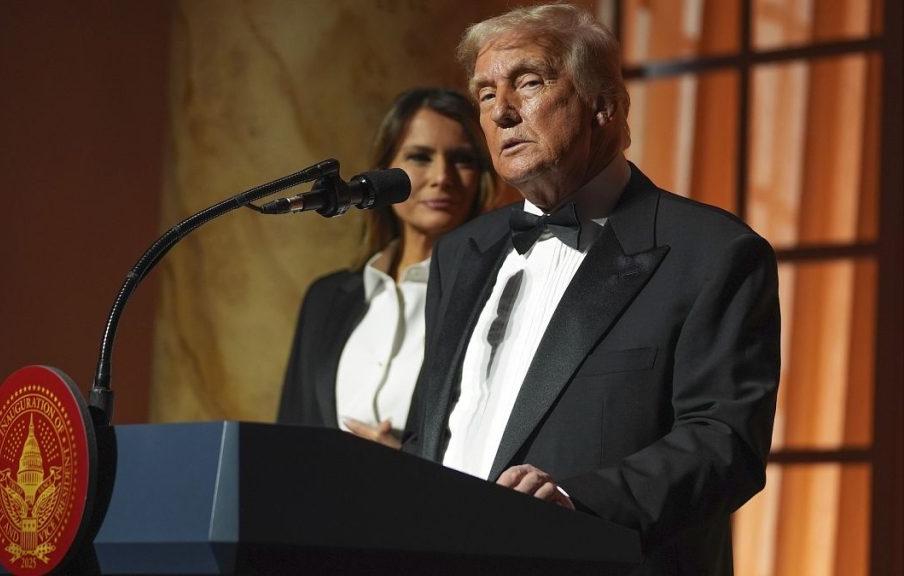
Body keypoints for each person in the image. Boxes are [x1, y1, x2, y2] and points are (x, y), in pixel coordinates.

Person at [402, 4, 780, 575]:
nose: (501, 112)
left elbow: (723, 444)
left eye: (528, 83)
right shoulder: (462, 252)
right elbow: (430, 432)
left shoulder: (711, 252)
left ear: (604, 104)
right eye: (484, 94)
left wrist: (577, 504)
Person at [277, 87, 497, 449]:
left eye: (462, 159)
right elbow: (290, 435)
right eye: (420, 157)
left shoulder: (491, 295)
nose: (442, 176)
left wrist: (408, 460)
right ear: (383, 174)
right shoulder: (326, 298)